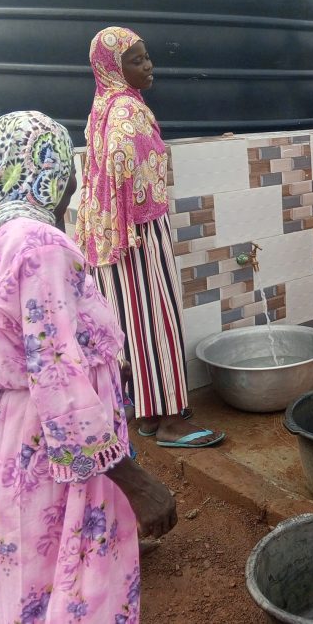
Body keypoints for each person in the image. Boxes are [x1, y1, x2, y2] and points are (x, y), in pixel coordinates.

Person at [0, 111, 179, 621]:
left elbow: (35, 341)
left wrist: (108, 367)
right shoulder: (38, 244)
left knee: (23, 585)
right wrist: (134, 481)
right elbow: (56, 374)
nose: (74, 184)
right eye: (67, 167)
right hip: (57, 454)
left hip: (20, 442)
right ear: (47, 169)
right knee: (69, 586)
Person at [75, 26, 223, 449]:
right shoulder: (128, 110)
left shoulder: (102, 105)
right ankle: (172, 421)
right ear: (113, 67)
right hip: (139, 230)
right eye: (136, 60)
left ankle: (148, 412)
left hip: (108, 235)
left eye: (146, 56)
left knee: (131, 324)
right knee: (159, 320)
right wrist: (131, 209)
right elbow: (123, 160)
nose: (148, 65)